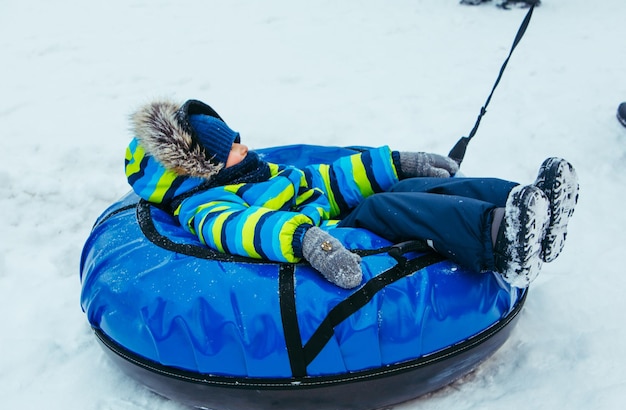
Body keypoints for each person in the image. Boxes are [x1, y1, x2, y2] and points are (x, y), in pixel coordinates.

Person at [125, 99, 578, 290]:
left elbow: (325, 179)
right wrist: (307, 240)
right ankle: (501, 239)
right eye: (230, 148)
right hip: (333, 234)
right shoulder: (205, 205)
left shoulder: (256, 169)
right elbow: (245, 229)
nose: (243, 147)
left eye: (237, 138)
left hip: (337, 213)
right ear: (202, 168)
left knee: (408, 187)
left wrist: (396, 163)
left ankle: (525, 201)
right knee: (389, 205)